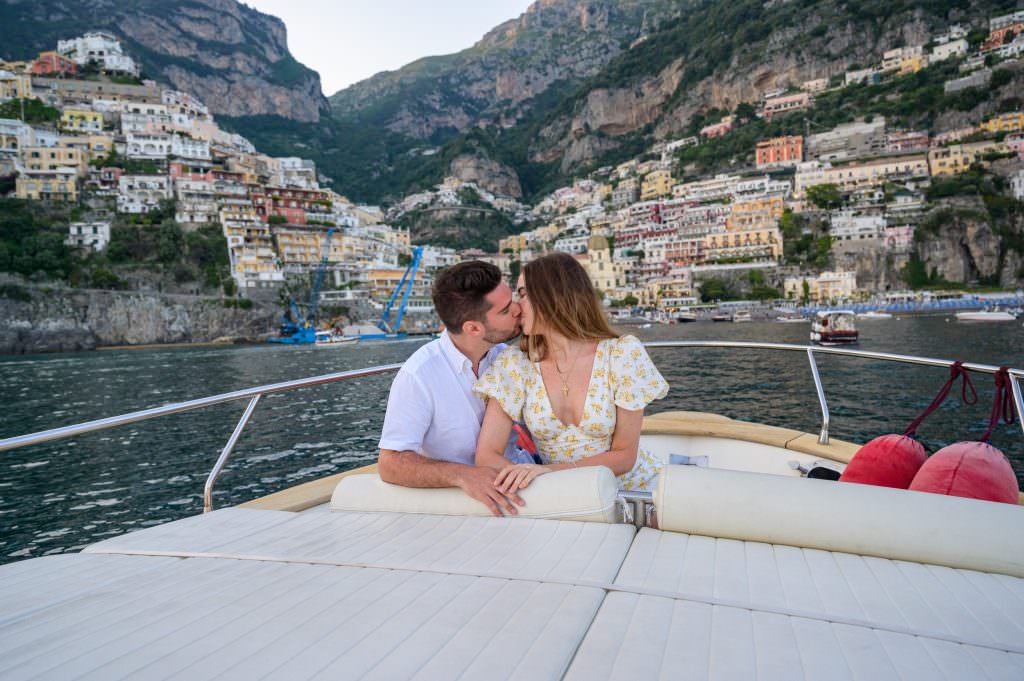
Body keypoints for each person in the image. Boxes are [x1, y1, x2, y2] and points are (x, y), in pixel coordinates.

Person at [473, 252, 669, 494]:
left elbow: (625, 456)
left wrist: (547, 473)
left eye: (522, 294)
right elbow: (487, 455)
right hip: (565, 498)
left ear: (553, 295)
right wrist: (533, 482)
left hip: (637, 492)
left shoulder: (621, 354)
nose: (515, 306)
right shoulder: (515, 364)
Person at [377, 260, 527, 516]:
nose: (517, 309)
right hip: (466, 500)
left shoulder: (507, 357)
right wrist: (462, 475)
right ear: (473, 328)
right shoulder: (418, 376)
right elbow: (390, 463)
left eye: (513, 299)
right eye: (505, 310)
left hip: (520, 477)